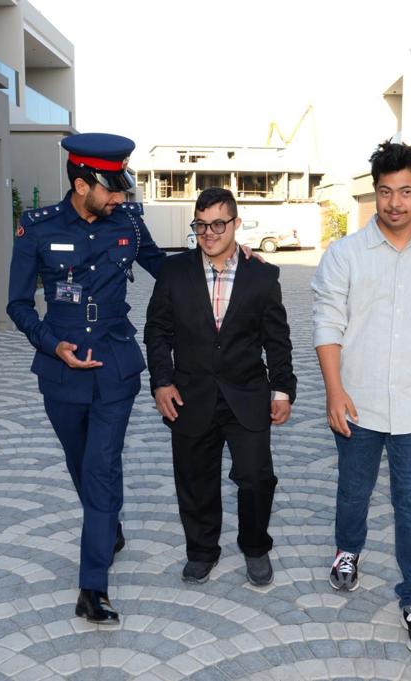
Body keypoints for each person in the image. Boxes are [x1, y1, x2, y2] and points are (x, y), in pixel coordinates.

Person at [312, 141, 411, 654]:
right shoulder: (345, 255)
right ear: (375, 193)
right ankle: (348, 549)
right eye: (385, 192)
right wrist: (334, 391)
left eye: (406, 191)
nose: (395, 203)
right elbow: (327, 323)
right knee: (353, 491)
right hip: (357, 403)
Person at [6, 133, 167, 625]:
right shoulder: (38, 228)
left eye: (122, 187)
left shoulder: (129, 223)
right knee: (81, 464)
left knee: (100, 467)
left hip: (115, 366)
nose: (120, 196)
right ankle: (108, 524)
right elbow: (17, 304)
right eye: (111, 188)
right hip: (61, 371)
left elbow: (166, 270)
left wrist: (224, 258)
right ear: (81, 185)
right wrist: (51, 343)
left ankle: (92, 587)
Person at [144, 187, 296, 587]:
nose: (208, 233)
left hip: (247, 394)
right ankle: (201, 550)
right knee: (195, 478)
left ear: (236, 224)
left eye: (217, 224)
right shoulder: (174, 272)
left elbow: (277, 339)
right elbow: (157, 331)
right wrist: (161, 382)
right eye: (200, 225)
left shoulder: (262, 275)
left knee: (256, 478)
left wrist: (282, 389)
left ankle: (255, 546)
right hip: (189, 395)